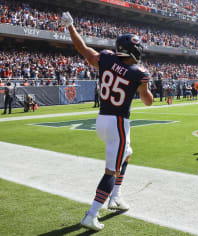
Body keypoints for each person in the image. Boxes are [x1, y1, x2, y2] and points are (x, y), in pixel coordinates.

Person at [61, 12, 153, 231]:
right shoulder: (139, 73)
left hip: (102, 119)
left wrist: (71, 27)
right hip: (118, 124)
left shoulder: (106, 59)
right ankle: (92, 214)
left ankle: (116, 197)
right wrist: (145, 86)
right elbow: (148, 101)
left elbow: (83, 49)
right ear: (132, 50)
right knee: (111, 170)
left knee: (127, 154)